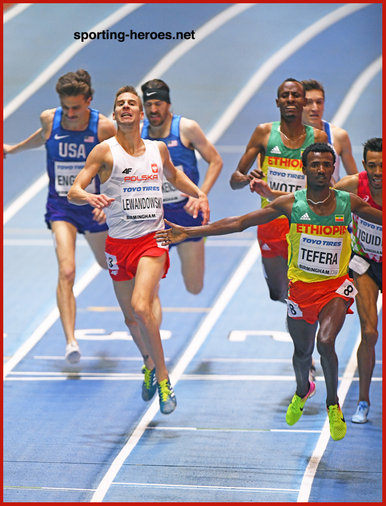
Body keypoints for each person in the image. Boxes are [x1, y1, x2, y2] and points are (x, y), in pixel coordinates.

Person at [156, 143, 382, 440]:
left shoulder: (347, 202)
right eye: (315, 165)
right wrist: (190, 232)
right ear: (304, 169)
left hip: (335, 288)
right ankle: (303, 390)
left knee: (326, 342)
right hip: (301, 291)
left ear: (332, 169)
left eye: (327, 165)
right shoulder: (291, 205)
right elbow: (239, 223)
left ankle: (333, 404)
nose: (322, 170)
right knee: (302, 354)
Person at [68, 86, 209, 414]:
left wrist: (198, 194)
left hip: (152, 239)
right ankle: (147, 363)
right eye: (121, 104)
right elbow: (74, 189)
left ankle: (163, 379)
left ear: (141, 114)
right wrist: (90, 196)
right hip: (118, 243)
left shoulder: (158, 149)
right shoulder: (104, 152)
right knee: (131, 318)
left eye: (133, 103)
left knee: (141, 306)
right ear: (115, 115)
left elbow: (174, 176)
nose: (127, 107)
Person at [3, 69, 117, 364]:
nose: (70, 114)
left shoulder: (104, 127)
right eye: (65, 108)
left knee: (109, 265)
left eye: (76, 108)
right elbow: (43, 137)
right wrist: (12, 149)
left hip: (93, 208)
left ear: (89, 102)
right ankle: (71, 342)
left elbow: (122, 165)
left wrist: (108, 201)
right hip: (61, 206)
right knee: (67, 271)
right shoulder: (49, 119)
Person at [229, 78, 328, 304]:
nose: (290, 100)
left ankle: (303, 324)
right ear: (277, 102)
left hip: (303, 222)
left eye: (295, 96)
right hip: (271, 222)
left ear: (303, 102)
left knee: (304, 291)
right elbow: (234, 181)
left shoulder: (318, 137)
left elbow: (324, 187)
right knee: (278, 293)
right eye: (285, 96)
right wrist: (246, 178)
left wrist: (274, 194)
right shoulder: (263, 133)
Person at [140, 79, 223, 294]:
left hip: (187, 216)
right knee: (148, 289)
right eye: (148, 105)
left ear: (168, 104)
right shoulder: (138, 133)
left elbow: (215, 161)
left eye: (158, 104)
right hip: (153, 218)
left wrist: (200, 194)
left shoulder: (186, 128)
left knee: (194, 287)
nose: (153, 109)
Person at [334, 138, 382, 423]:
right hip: (365, 264)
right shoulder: (354, 184)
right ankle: (363, 401)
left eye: (383, 166)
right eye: (372, 165)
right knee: (370, 333)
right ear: (364, 166)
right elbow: (316, 196)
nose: (378, 172)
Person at [302, 79, 358, 181]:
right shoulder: (286, 136)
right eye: (309, 103)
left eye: (319, 102)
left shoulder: (339, 136)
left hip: (327, 195)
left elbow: (355, 178)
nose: (315, 108)